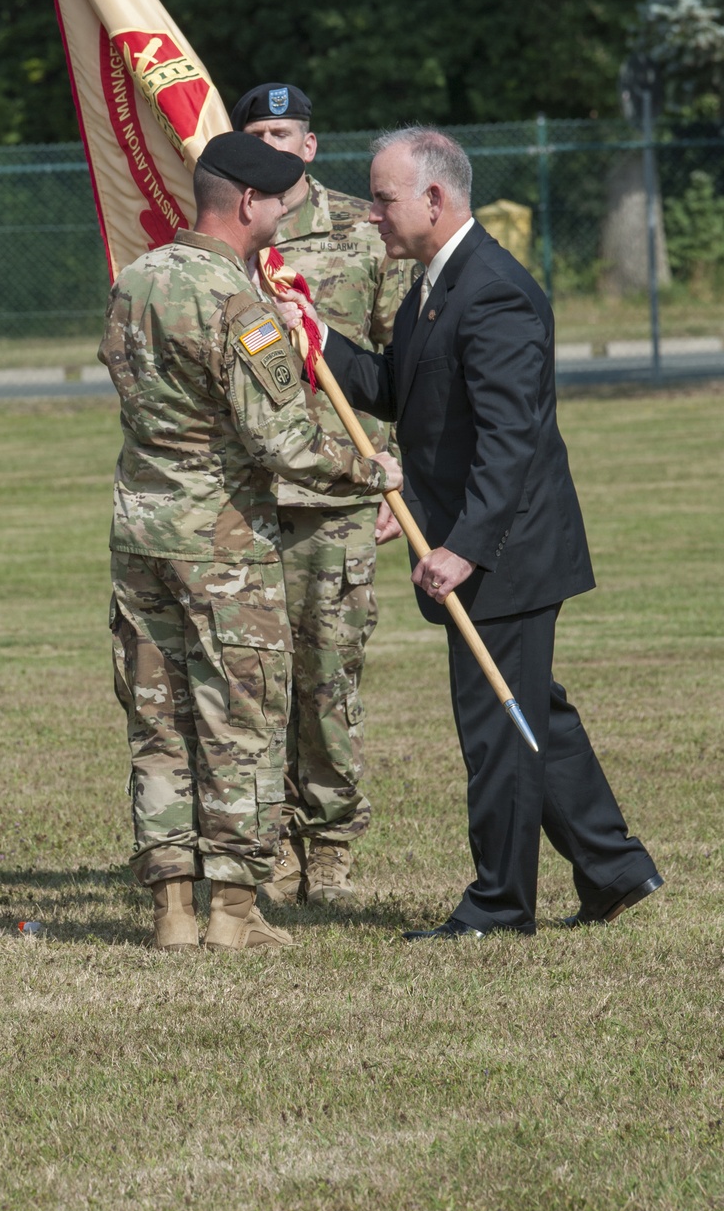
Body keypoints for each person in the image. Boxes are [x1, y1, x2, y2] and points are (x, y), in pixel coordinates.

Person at [283, 126, 662, 938]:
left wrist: (462, 544)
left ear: (433, 197)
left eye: (383, 200)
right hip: (483, 542)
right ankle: (614, 867)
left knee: (498, 725)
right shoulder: (432, 283)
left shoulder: (493, 290)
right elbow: (397, 390)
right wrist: (318, 338)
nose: (372, 215)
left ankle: (499, 905)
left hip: (509, 554)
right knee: (536, 713)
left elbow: (510, 438)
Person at [98, 132, 400, 951]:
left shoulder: (138, 278)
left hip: (141, 534)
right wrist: (375, 471)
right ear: (248, 204)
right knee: (240, 716)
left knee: (158, 722)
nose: (285, 212)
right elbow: (285, 443)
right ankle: (232, 908)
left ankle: (171, 908)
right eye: (277, 199)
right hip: (222, 547)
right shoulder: (235, 302)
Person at [232, 82, 404, 905]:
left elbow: (404, 366)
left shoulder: (364, 233)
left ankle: (329, 842)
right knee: (255, 681)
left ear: (309, 145)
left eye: (285, 131)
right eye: (256, 131)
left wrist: (391, 472)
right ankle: (266, 842)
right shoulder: (223, 236)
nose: (271, 142)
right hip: (246, 493)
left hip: (340, 490)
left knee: (330, 679)